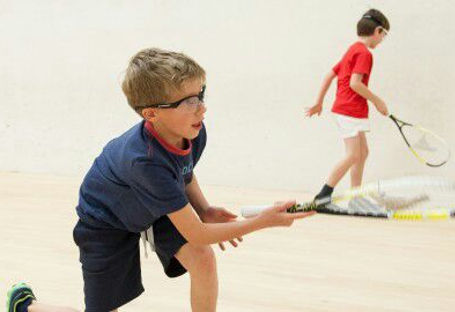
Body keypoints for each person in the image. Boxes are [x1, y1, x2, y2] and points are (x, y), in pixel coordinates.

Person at [7, 47, 315, 312]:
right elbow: (196, 233)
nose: (202, 108)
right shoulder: (144, 161)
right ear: (151, 114)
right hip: (106, 221)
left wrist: (204, 208)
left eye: (201, 95)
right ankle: (25, 305)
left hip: (151, 206)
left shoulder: (192, 130)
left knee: (203, 260)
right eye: (188, 102)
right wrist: (265, 220)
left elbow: (184, 170)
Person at [306, 9, 390, 200]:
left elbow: (329, 74)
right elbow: (355, 83)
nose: (382, 40)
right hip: (349, 110)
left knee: (363, 153)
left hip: (352, 110)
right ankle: (323, 196)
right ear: (377, 31)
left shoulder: (353, 49)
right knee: (353, 155)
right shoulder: (364, 54)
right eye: (383, 35)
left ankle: (355, 197)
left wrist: (319, 103)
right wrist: (378, 101)